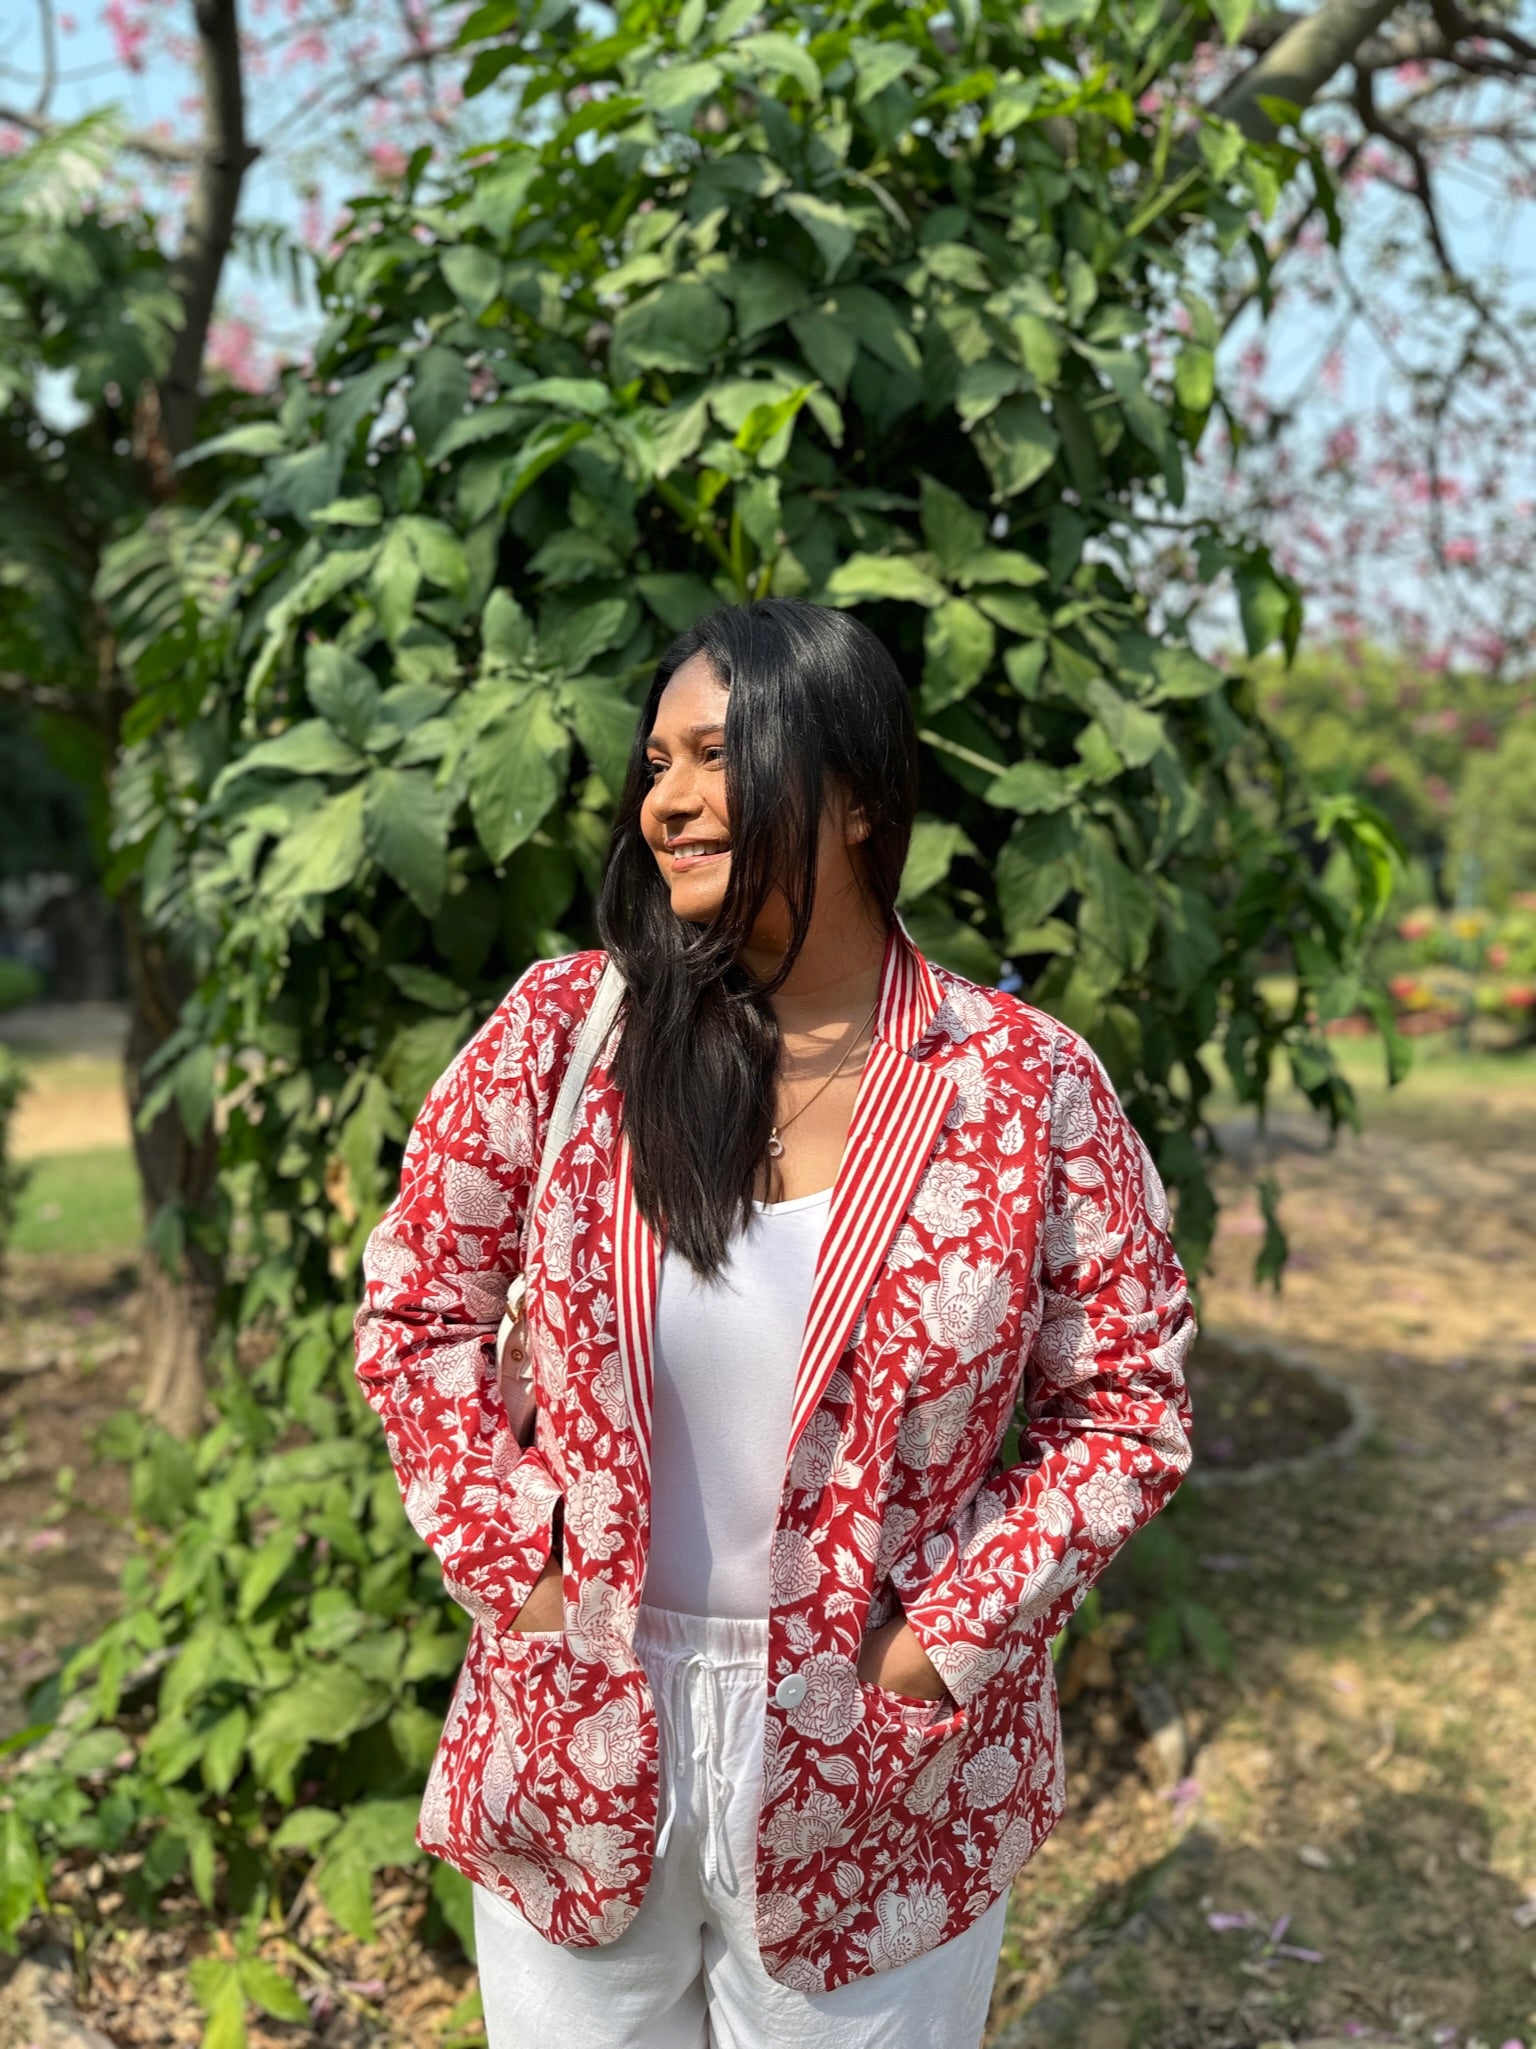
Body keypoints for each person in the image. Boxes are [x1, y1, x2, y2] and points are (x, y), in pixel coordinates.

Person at [355, 598, 1195, 2049]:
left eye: (714, 756)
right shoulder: (567, 1037)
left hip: (883, 1765)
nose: (666, 801)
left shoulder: (1021, 1084)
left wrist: (934, 1644)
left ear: (856, 794)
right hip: (578, 1717)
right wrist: (522, 1573)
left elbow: (1124, 1408)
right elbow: (420, 1305)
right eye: (657, 763)